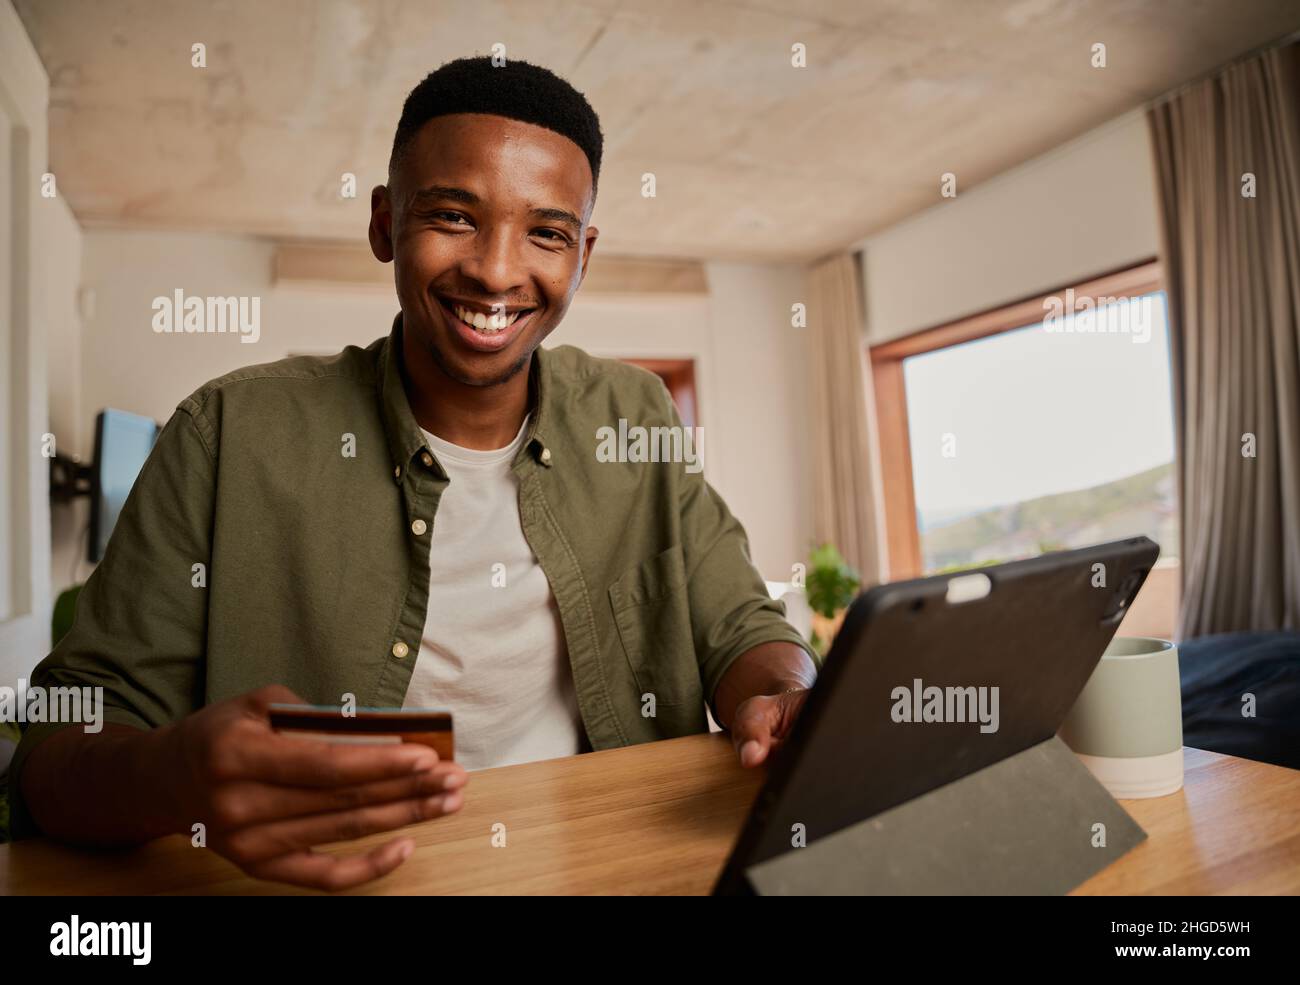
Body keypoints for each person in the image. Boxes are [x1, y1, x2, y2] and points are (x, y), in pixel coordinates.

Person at [10, 56, 818, 890]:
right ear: (385, 223)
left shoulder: (637, 414)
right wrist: (174, 776)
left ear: (583, 254)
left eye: (546, 232)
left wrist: (785, 698)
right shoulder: (226, 432)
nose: (497, 271)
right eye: (454, 216)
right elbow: (57, 744)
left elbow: (743, 626)